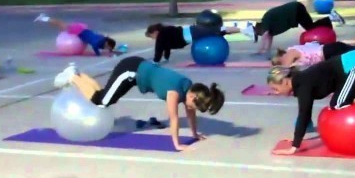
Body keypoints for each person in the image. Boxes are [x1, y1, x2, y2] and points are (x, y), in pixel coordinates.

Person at [52, 58, 225, 151]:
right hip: (130, 70)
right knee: (101, 101)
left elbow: (190, 113)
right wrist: (177, 144)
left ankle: (78, 73)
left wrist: (195, 134)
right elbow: (174, 119)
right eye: (192, 105)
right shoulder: (174, 92)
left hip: (138, 69)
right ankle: (72, 76)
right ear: (193, 95)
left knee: (106, 98)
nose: (190, 109)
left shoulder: (190, 88)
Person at [266, 49, 355, 156]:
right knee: (343, 99)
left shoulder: (303, 85)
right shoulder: (300, 82)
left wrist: (294, 147)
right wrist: (299, 136)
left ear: (285, 81)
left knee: (338, 103)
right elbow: (305, 112)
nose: (275, 93)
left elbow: (304, 113)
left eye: (275, 89)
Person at [253, 1, 345, 54]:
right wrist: (267, 49)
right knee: (311, 26)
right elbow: (269, 36)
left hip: (296, 10)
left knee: (310, 28)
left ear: (258, 28)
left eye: (258, 34)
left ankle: (332, 17)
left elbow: (265, 35)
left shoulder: (265, 21)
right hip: (296, 8)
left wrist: (261, 49)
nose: (260, 35)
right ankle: (331, 18)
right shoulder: (268, 25)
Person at [145, 22, 255, 63]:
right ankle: (245, 31)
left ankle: (245, 30)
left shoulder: (162, 35)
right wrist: (166, 58)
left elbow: (159, 48)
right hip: (193, 32)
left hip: (193, 32)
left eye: (151, 36)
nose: (153, 39)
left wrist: (155, 61)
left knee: (219, 30)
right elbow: (165, 48)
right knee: (219, 32)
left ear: (155, 32)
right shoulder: (165, 34)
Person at [34, 13, 117, 56]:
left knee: (59, 25)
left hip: (81, 29)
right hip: (78, 30)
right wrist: (98, 54)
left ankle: (44, 18)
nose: (107, 49)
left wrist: (111, 50)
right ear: (107, 43)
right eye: (109, 47)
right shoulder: (99, 42)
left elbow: (104, 39)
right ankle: (43, 18)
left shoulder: (102, 40)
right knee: (59, 24)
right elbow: (94, 46)